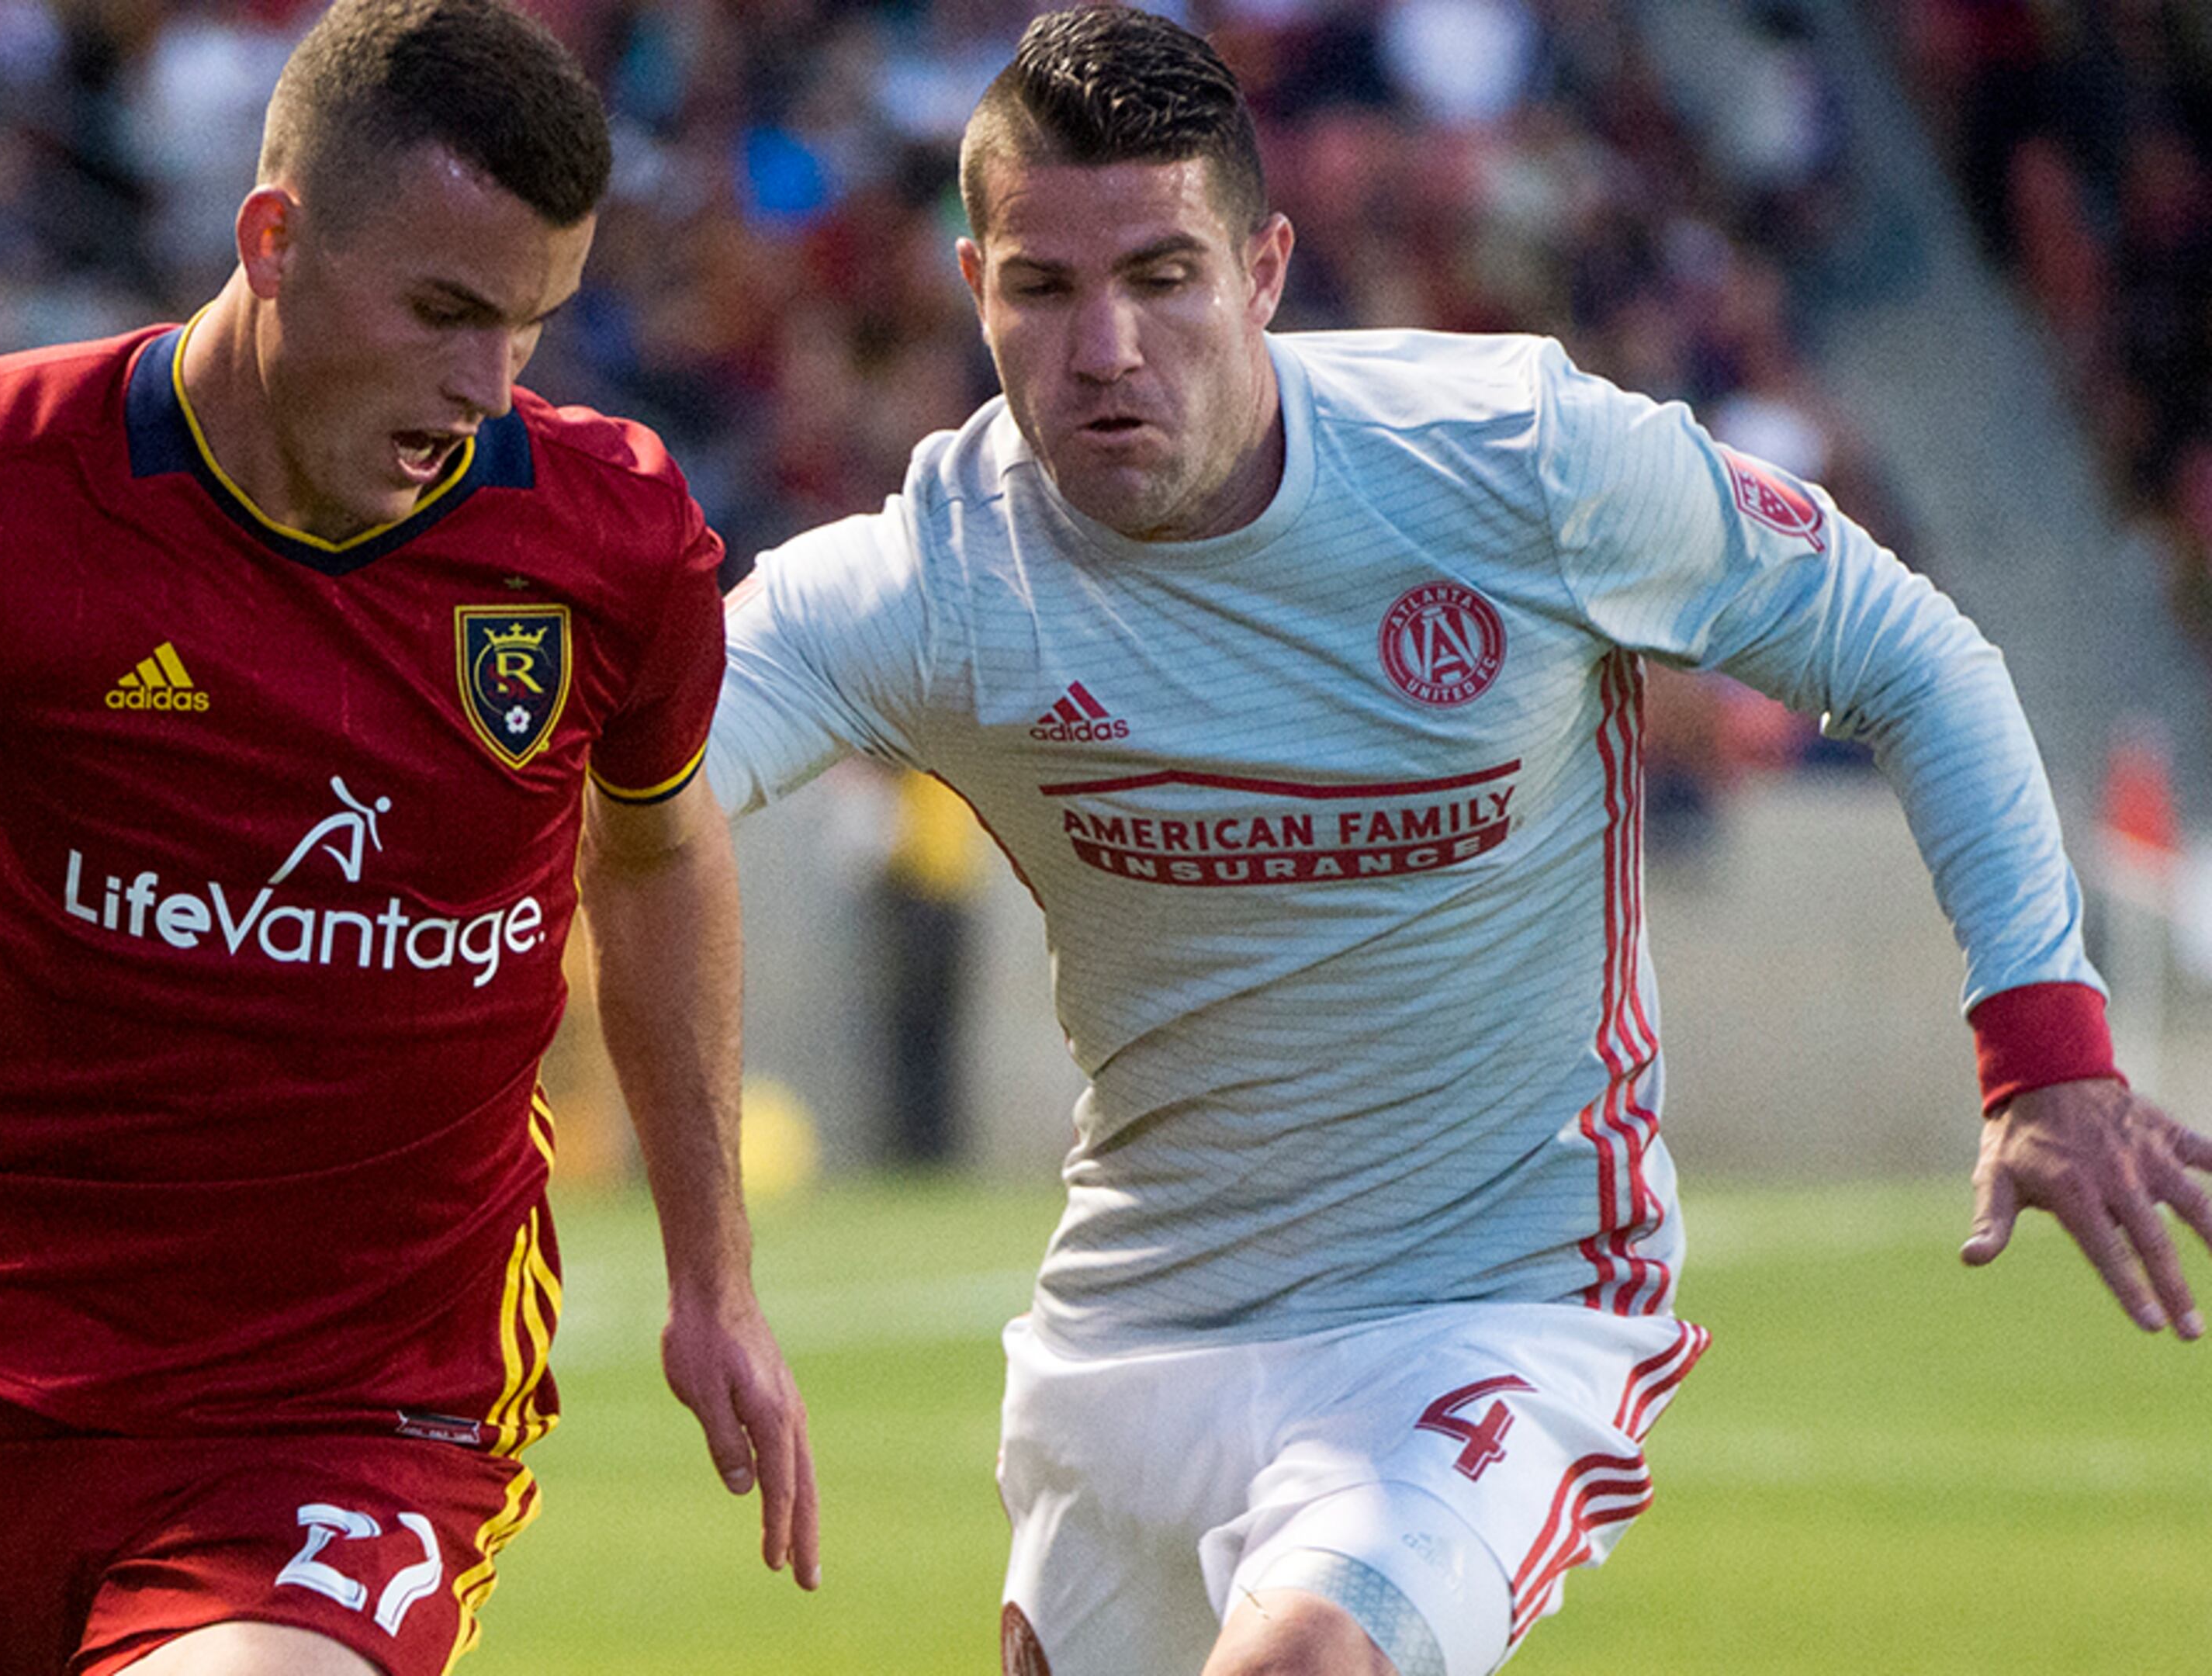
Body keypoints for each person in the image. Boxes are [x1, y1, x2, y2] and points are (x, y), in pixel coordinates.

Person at [707, 11, 2212, 1676]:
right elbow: (634, 795)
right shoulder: (936, 577)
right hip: (1137, 1332)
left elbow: (1910, 652)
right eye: (1044, 293)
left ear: (1266, 270)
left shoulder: (1517, 464)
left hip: (1489, 1304)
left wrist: (2047, 1042)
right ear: (974, 282)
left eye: (1163, 274)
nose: (1108, 348)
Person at [0, 2, 815, 1672]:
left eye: (532, 327)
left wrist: (714, 1275)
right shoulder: (3, 485)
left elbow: (658, 850)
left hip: (365, 1411)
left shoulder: (606, 535)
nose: (485, 389)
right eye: (442, 311)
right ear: (271, 240)